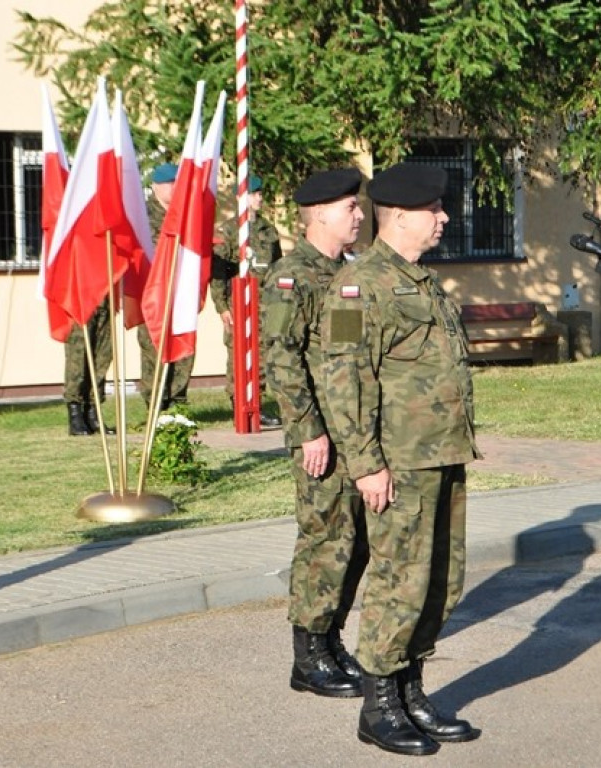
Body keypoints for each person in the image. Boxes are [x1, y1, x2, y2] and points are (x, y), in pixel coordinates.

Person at [321, 163, 481, 756]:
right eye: (435, 210)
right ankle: (379, 703)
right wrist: (365, 464)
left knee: (440, 580)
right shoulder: (357, 286)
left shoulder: (420, 281)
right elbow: (343, 380)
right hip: (398, 464)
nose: (443, 219)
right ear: (402, 216)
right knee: (398, 582)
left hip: (442, 455)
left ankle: (411, 690)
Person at [260, 168, 370, 699]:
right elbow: (280, 360)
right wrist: (308, 431)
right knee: (326, 541)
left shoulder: (347, 270)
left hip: (355, 433)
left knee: (356, 545)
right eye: (351, 207)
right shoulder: (292, 276)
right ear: (321, 213)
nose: (360, 215)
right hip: (323, 435)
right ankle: (307, 656)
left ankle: (329, 640)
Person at [211, 173, 282, 427]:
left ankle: (258, 402)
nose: (259, 198)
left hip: (265, 302)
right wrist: (221, 306)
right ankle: (238, 401)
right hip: (239, 302)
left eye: (260, 193)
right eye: (255, 193)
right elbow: (218, 272)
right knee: (238, 352)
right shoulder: (230, 231)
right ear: (242, 197)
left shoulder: (268, 230)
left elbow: (277, 267)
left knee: (262, 353)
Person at [138, 163, 195, 411]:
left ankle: (177, 403)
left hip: (180, 292)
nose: (175, 188)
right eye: (170, 183)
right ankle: (155, 404)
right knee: (154, 350)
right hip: (153, 294)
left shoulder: (185, 216)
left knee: (184, 347)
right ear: (155, 186)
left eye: (178, 182)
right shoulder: (143, 216)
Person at [64, 298, 114, 436]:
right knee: (78, 356)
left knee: (102, 355)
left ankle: (93, 411)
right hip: (80, 299)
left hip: (104, 296)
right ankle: (75, 413)